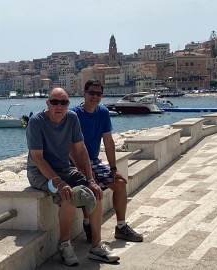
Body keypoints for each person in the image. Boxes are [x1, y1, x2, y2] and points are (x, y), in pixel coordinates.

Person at [26, 87, 120, 266]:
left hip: (64, 168)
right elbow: (37, 158)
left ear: (68, 104)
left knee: (96, 192)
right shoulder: (36, 121)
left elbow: (81, 149)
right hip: (40, 173)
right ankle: (64, 244)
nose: (59, 106)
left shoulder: (71, 118)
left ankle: (96, 246)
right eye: (54, 102)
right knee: (69, 195)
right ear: (47, 103)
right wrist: (59, 182)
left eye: (63, 102)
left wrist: (91, 180)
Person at [70, 79, 144, 243]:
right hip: (74, 162)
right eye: (92, 93)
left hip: (94, 160)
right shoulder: (73, 114)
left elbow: (108, 142)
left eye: (99, 94)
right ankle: (88, 224)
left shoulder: (102, 113)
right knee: (90, 188)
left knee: (120, 183)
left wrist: (113, 169)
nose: (95, 97)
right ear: (84, 93)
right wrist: (82, 167)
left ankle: (121, 227)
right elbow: (68, 145)